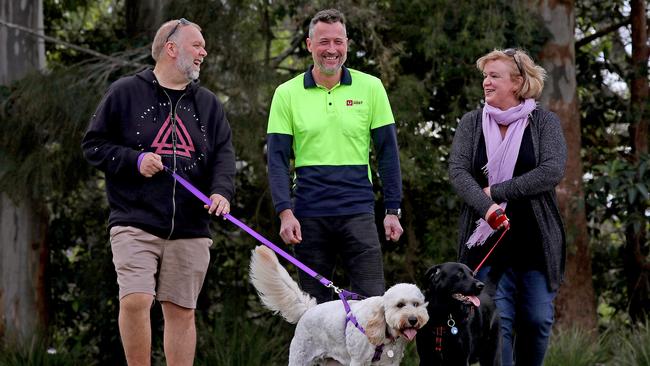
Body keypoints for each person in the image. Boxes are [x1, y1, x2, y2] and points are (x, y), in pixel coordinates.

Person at [82, 19, 235, 366]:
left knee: (181, 311)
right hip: (134, 221)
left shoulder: (209, 104)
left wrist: (222, 192)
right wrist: (134, 160)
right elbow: (94, 145)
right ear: (171, 48)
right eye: (196, 45)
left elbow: (224, 155)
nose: (203, 52)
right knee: (135, 300)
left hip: (192, 227)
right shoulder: (124, 92)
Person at [266, 8, 403, 304]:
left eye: (338, 42)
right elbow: (277, 160)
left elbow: (388, 153)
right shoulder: (286, 93)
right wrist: (285, 212)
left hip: (358, 211)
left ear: (347, 44)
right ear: (309, 45)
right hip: (308, 215)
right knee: (313, 311)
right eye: (324, 42)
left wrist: (393, 209)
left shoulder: (372, 87)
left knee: (373, 306)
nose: (332, 50)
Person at [449, 48, 567, 366]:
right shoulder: (472, 123)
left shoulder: (544, 122)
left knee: (537, 321)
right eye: (485, 76)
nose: (486, 82)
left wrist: (499, 190)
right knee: (494, 323)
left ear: (516, 82)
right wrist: (487, 207)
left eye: (494, 76)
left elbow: (552, 170)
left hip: (534, 243)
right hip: (485, 245)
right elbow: (459, 173)